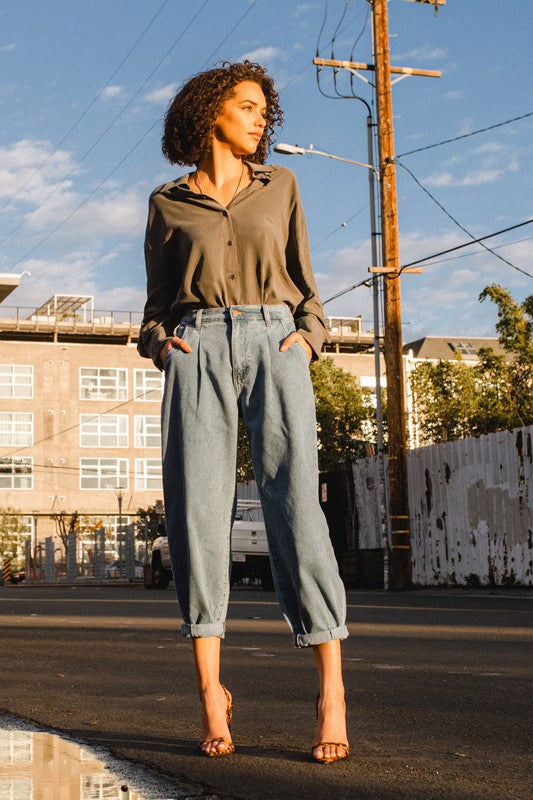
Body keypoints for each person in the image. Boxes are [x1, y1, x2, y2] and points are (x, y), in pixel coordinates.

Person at [138, 61, 349, 764]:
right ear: (209, 114)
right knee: (198, 513)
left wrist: (306, 341)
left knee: (296, 510)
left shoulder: (279, 187)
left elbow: (308, 287)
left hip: (273, 342)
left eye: (265, 110)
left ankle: (330, 693)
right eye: (249, 106)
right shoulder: (167, 203)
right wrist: (163, 345)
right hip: (196, 346)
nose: (262, 119)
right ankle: (210, 694)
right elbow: (154, 307)